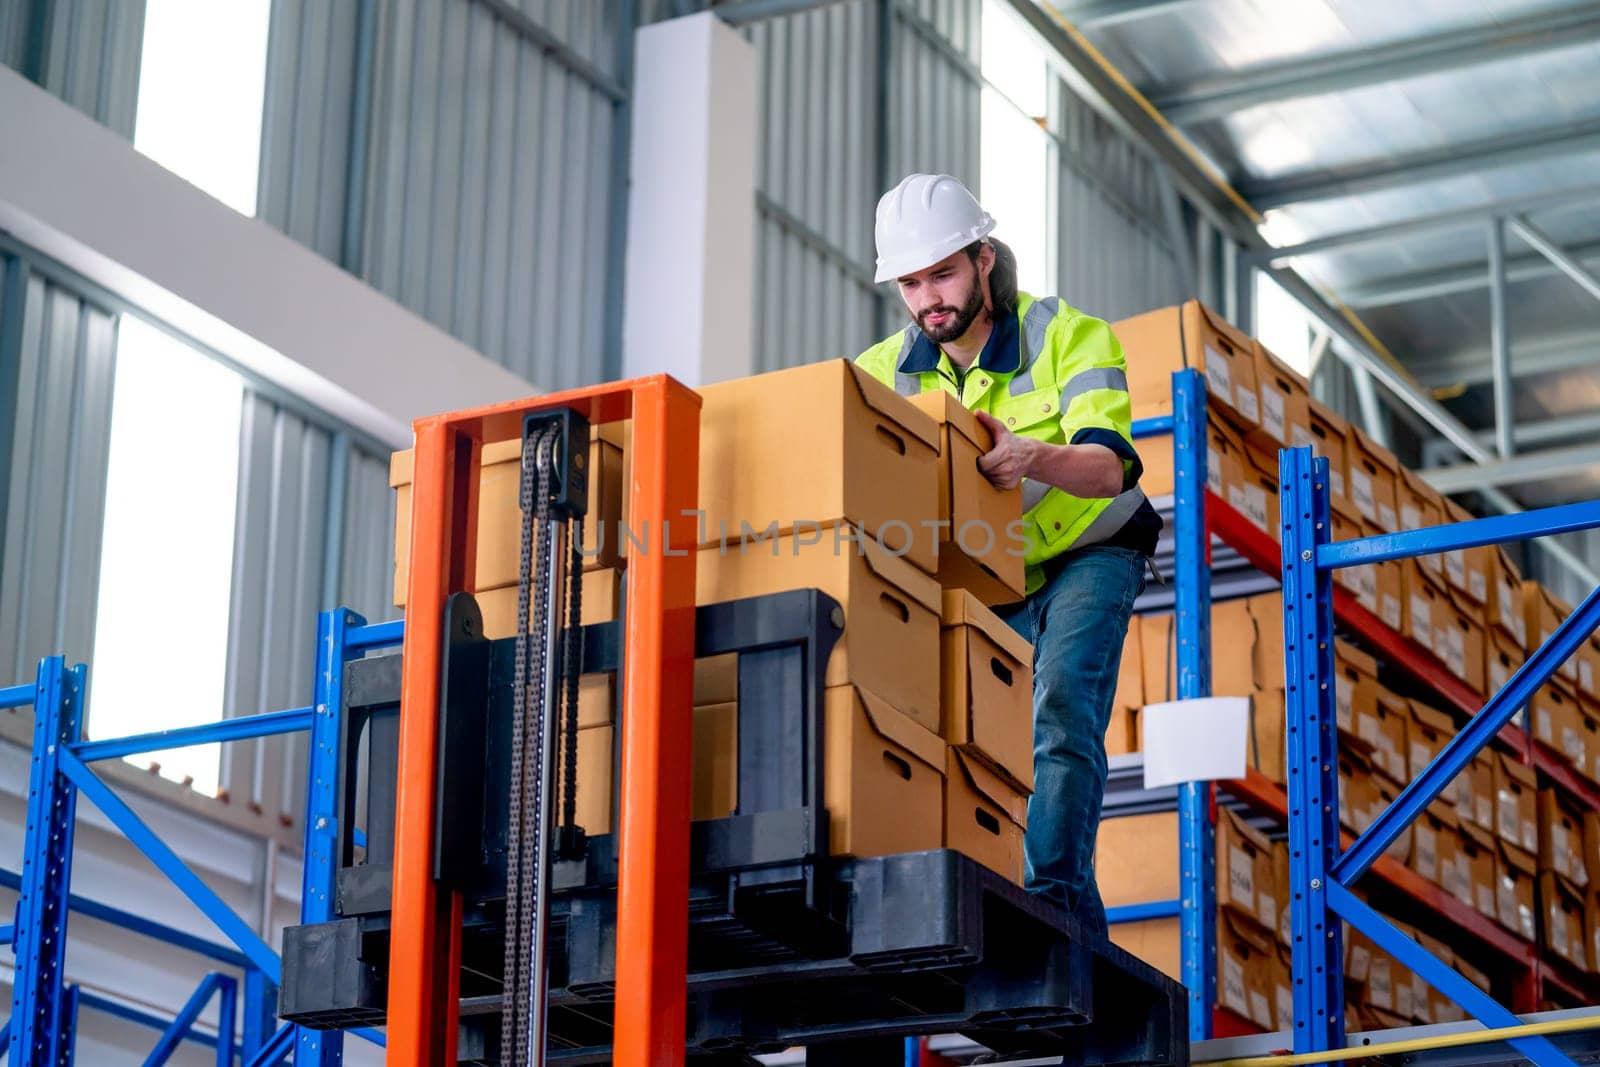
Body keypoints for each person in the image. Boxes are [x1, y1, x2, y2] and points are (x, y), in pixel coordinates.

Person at [854, 173, 1161, 935]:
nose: (930, 297)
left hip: (1092, 550)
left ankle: (1049, 901)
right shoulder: (879, 374)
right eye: (912, 282)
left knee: (1060, 710)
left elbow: (1113, 466)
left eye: (944, 272)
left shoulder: (1070, 335)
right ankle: (1073, 931)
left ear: (983, 258)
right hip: (988, 574)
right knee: (988, 745)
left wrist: (1032, 456)